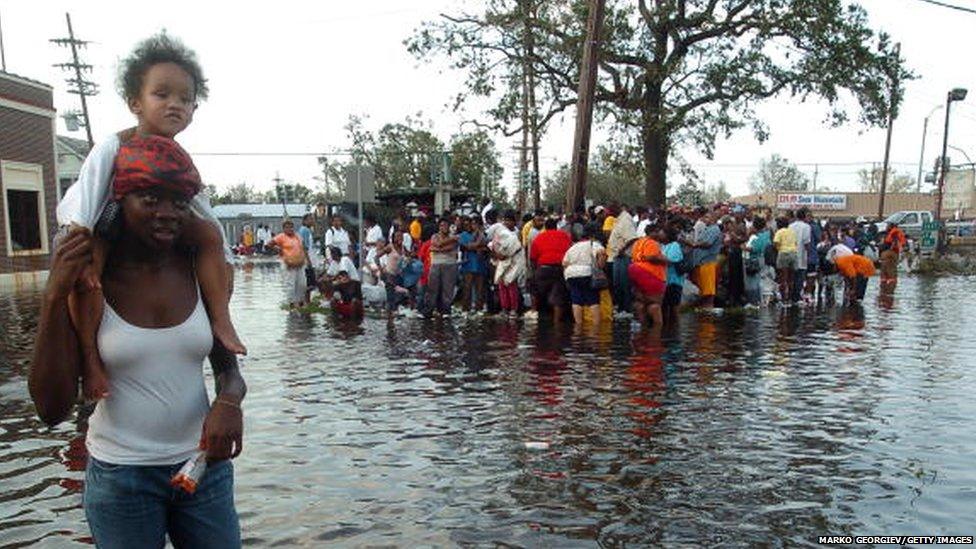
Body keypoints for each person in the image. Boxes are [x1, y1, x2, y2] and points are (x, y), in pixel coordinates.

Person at [31, 136, 245, 548]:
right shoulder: (90, 282)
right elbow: (51, 409)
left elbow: (228, 370)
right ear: (120, 199)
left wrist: (229, 402)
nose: (167, 214)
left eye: (180, 203)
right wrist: (53, 296)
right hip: (121, 478)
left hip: (203, 468)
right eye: (149, 199)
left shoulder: (198, 269)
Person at [56, 34, 245, 401]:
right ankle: (91, 359)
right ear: (135, 102)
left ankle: (220, 319)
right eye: (162, 95)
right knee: (88, 277)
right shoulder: (113, 146)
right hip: (103, 217)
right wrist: (83, 255)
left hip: (146, 219)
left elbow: (204, 214)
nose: (175, 105)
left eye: (185, 99)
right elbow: (87, 205)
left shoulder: (179, 158)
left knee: (207, 236)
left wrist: (225, 259)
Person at [562, 224, 605, 327]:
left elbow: (564, 263)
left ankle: (578, 325)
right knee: (593, 300)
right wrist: (600, 266)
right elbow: (601, 253)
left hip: (571, 275)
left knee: (576, 300)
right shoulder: (594, 244)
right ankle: (596, 327)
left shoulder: (573, 247)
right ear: (591, 237)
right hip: (586, 273)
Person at [529, 217, 571, 320]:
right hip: (560, 269)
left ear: (545, 227)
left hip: (543, 268)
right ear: (556, 227)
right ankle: (557, 323)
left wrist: (535, 271)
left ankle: (534, 312)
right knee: (558, 297)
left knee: (534, 289)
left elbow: (532, 258)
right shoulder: (565, 236)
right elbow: (570, 251)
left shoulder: (539, 237)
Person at [629, 225, 668, 327]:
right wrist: (666, 260)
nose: (662, 234)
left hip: (634, 269)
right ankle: (657, 329)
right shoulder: (652, 242)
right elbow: (651, 257)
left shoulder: (638, 242)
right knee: (655, 303)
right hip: (650, 273)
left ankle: (643, 327)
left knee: (640, 301)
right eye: (660, 231)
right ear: (653, 232)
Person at [490, 211, 526, 318]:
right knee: (502, 285)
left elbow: (517, 248)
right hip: (502, 262)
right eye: (505, 220)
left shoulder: (517, 233)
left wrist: (506, 255)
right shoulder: (500, 232)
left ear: (514, 222)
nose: (506, 223)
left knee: (511, 285)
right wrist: (498, 255)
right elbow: (492, 245)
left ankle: (513, 309)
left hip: (514, 262)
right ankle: (504, 308)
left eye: (509, 220)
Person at [266, 220, 308, 308]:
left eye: (291, 227)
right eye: (287, 227)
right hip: (288, 263)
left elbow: (303, 248)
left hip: (300, 263)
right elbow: (268, 245)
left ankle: (300, 301)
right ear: (284, 228)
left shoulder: (298, 236)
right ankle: (291, 303)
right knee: (291, 283)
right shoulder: (281, 237)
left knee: (302, 283)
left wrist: (306, 259)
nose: (290, 229)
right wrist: (278, 250)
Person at [688, 209, 722, 308]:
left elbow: (707, 243)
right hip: (701, 263)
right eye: (705, 217)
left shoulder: (714, 229)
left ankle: (709, 314)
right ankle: (705, 313)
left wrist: (694, 244)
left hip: (708, 263)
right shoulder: (707, 228)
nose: (705, 219)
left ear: (713, 218)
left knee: (708, 293)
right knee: (703, 290)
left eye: (707, 217)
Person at [607, 204, 636, 314]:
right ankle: (621, 308)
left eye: (610, 211)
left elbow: (632, 238)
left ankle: (626, 309)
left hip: (624, 257)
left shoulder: (625, 220)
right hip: (617, 257)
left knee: (624, 284)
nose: (608, 214)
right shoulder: (618, 220)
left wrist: (622, 250)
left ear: (615, 210)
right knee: (617, 284)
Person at [428, 218, 459, 316]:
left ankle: (446, 310)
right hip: (436, 264)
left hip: (449, 264)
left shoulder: (454, 237)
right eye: (441, 225)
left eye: (445, 225)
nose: (443, 227)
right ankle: (430, 310)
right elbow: (436, 244)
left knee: (448, 289)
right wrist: (449, 241)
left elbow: (449, 247)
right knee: (433, 288)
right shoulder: (435, 236)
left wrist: (437, 248)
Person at [458, 216, 487, 312]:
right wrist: (478, 247)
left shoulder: (482, 234)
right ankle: (466, 309)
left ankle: (479, 308)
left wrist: (477, 247)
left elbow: (486, 248)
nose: (470, 226)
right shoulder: (463, 235)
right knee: (467, 288)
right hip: (468, 265)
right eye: (466, 224)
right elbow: (464, 247)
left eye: (473, 223)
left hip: (480, 265)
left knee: (480, 289)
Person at [743, 217, 771, 306]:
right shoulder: (767, 234)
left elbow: (754, 249)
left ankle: (754, 302)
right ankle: (762, 300)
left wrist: (742, 246)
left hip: (756, 260)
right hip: (765, 260)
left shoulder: (759, 237)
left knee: (753, 282)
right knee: (762, 280)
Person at [661, 224, 685, 325]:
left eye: (662, 232)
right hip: (665, 281)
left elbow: (671, 261)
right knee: (665, 307)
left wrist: (655, 258)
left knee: (674, 307)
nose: (660, 234)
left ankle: (675, 330)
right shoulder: (663, 246)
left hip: (674, 281)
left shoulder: (675, 245)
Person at [773, 216, 798, 305]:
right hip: (794, 253)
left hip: (783, 253)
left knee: (783, 278)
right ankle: (790, 298)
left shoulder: (779, 232)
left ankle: (784, 299)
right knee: (791, 278)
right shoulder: (792, 232)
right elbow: (796, 243)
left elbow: (776, 243)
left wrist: (778, 249)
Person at [789, 208, 812, 303]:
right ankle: (796, 297)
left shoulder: (790, 226)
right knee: (799, 277)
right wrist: (809, 252)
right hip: (801, 254)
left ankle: (790, 296)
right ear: (804, 217)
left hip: (790, 253)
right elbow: (806, 242)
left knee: (791, 277)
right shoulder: (806, 227)